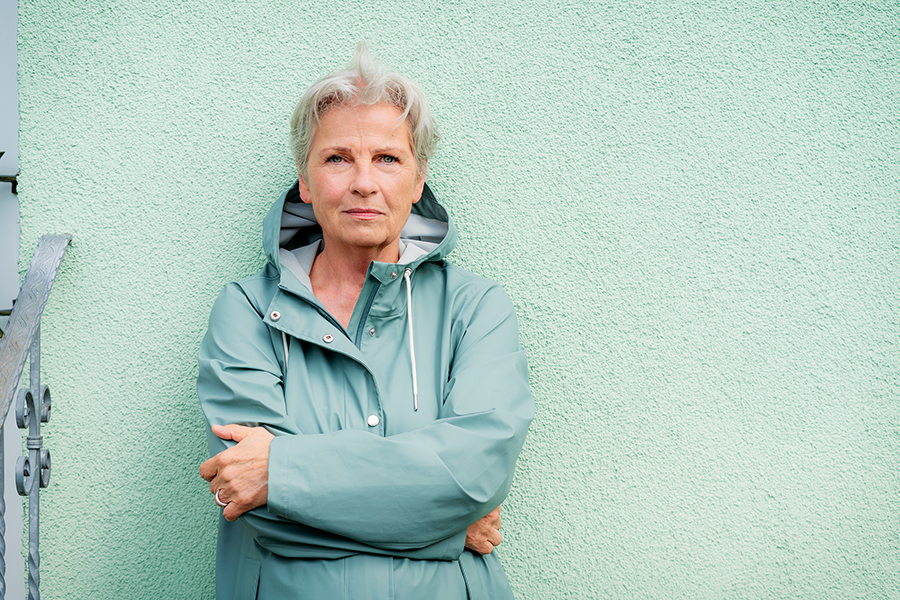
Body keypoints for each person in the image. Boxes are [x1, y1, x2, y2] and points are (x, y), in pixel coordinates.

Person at [198, 44, 534, 600]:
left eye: (387, 158)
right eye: (337, 159)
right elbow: (252, 498)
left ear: (418, 180)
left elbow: (473, 477)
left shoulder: (476, 308)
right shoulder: (247, 311)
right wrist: (450, 526)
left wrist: (282, 473)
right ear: (305, 183)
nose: (362, 182)